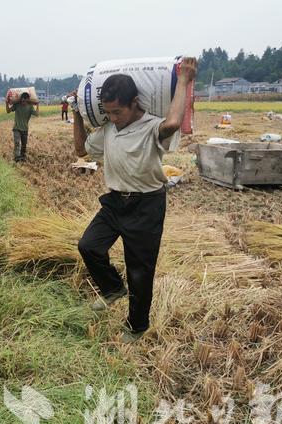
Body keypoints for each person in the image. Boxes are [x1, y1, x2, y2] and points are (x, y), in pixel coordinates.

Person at [71, 57, 197, 343]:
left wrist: (185, 80)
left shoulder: (152, 127)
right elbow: (81, 149)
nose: (113, 118)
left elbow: (175, 122)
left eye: (117, 112)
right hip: (115, 202)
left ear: (134, 103)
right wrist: (77, 114)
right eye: (108, 113)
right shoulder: (108, 130)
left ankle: (137, 326)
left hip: (146, 206)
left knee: (140, 271)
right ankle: (113, 288)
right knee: (88, 246)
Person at [6, 92, 39, 162]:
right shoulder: (17, 105)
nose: (23, 101)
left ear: (27, 100)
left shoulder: (30, 107)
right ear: (20, 99)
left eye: (24, 100)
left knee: (24, 145)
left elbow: (37, 114)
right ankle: (16, 157)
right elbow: (8, 111)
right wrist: (6, 103)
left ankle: (23, 157)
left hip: (25, 129)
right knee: (17, 143)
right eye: (22, 100)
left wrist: (38, 105)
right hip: (16, 128)